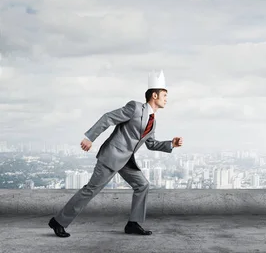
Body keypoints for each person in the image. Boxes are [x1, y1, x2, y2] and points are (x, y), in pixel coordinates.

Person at [48, 70, 183, 238]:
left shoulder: (152, 122)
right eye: (164, 95)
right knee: (91, 190)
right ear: (154, 96)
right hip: (111, 156)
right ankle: (59, 222)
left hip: (126, 160)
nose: (166, 98)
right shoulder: (135, 108)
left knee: (142, 185)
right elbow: (108, 118)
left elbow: (151, 144)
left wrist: (171, 144)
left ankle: (133, 224)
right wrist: (90, 138)